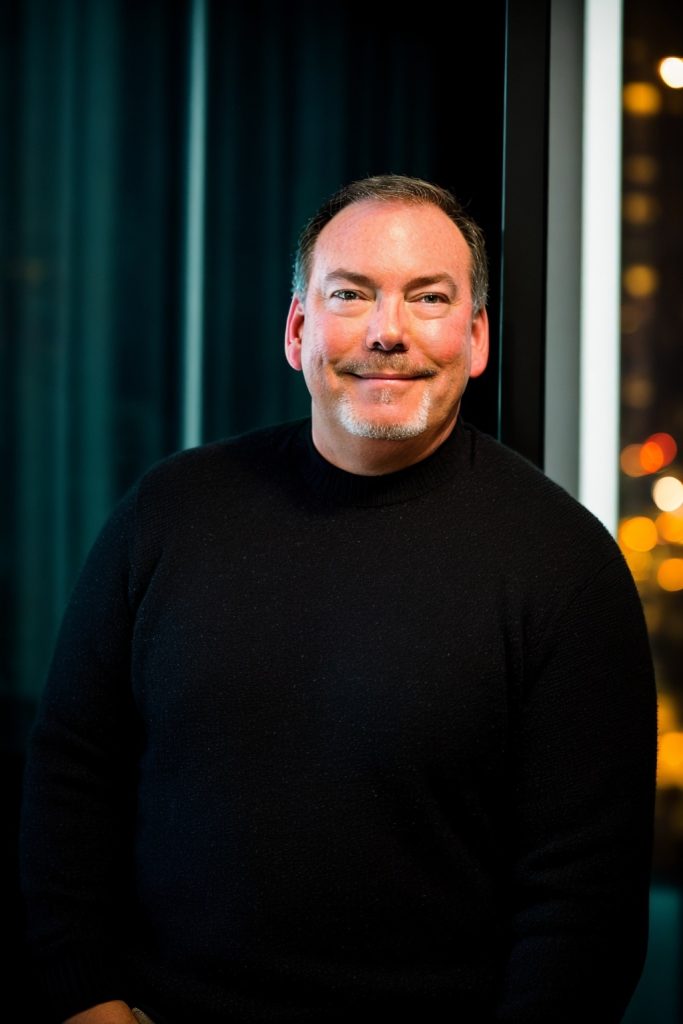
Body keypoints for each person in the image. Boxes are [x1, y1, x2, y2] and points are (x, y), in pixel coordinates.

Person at [20, 174, 657, 1024]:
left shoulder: (565, 567)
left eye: (427, 299)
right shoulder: (167, 515)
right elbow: (73, 777)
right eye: (350, 294)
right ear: (296, 330)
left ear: (475, 339)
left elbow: (586, 903)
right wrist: (84, 999)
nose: (386, 333)